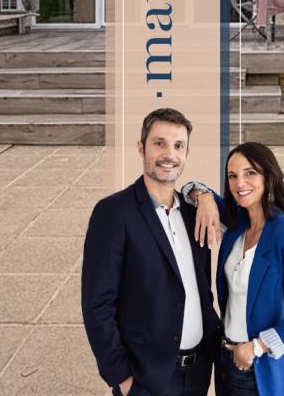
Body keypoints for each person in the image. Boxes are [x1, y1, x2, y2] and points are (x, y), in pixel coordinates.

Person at [82, 108, 223, 396]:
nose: (169, 154)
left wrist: (204, 193)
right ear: (141, 147)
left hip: (198, 371)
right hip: (146, 377)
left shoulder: (195, 213)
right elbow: (97, 304)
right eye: (159, 143)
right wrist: (121, 377)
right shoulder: (113, 212)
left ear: (186, 153)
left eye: (178, 145)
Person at [187, 142, 284, 396]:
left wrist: (257, 347)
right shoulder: (237, 222)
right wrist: (204, 197)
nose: (240, 183)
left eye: (250, 173)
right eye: (232, 176)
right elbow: (189, 189)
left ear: (268, 176)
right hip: (224, 359)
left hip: (257, 369)